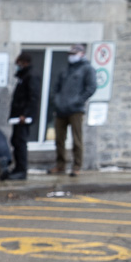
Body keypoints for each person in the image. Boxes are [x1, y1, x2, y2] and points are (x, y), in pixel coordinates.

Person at [49, 43, 97, 176]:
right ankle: (60, 165)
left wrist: (77, 101)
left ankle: (76, 166)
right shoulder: (65, 69)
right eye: (70, 54)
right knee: (59, 139)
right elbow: (56, 88)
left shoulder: (87, 69)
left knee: (77, 139)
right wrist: (56, 101)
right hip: (61, 109)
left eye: (73, 54)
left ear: (81, 54)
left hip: (75, 110)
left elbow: (91, 88)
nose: (71, 56)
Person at [5, 52, 40, 180]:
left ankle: (22, 170)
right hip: (18, 116)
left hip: (23, 117)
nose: (17, 65)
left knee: (20, 142)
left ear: (24, 62)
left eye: (18, 62)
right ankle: (18, 168)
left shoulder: (31, 76)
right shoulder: (24, 76)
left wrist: (25, 115)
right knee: (15, 141)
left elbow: (33, 98)